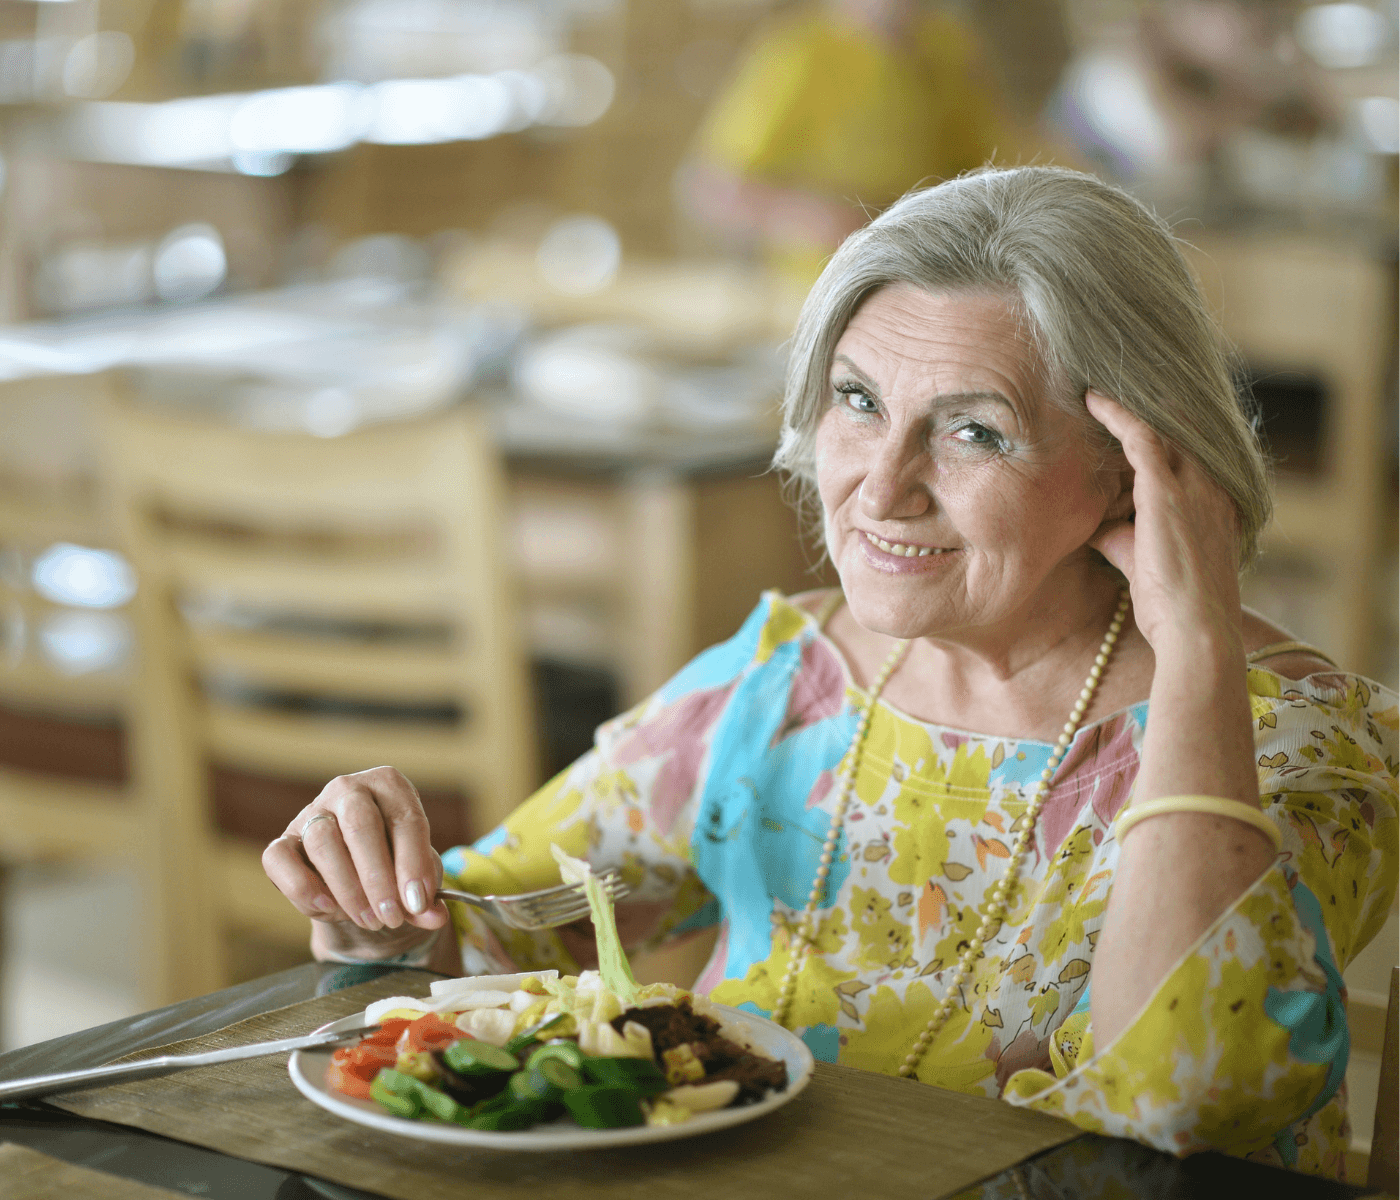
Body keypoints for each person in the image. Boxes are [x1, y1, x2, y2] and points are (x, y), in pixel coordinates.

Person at [262, 166, 1397, 1178]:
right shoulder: (786, 684)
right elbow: (494, 934)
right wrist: (376, 915)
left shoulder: (1288, 736)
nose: (880, 486)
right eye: (857, 402)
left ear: (1128, 470)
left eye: (972, 432)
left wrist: (1194, 646)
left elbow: (1183, 1099)